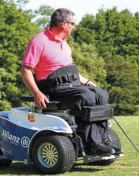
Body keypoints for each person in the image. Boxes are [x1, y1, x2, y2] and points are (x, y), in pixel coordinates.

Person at [20, 8, 122, 156]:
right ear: (63, 24)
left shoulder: (65, 44)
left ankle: (103, 140)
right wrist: (36, 93)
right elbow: (25, 70)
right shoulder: (39, 41)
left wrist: (88, 82)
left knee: (101, 94)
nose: (74, 27)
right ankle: (93, 145)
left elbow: (70, 73)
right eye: (72, 23)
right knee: (87, 96)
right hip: (52, 89)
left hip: (71, 86)